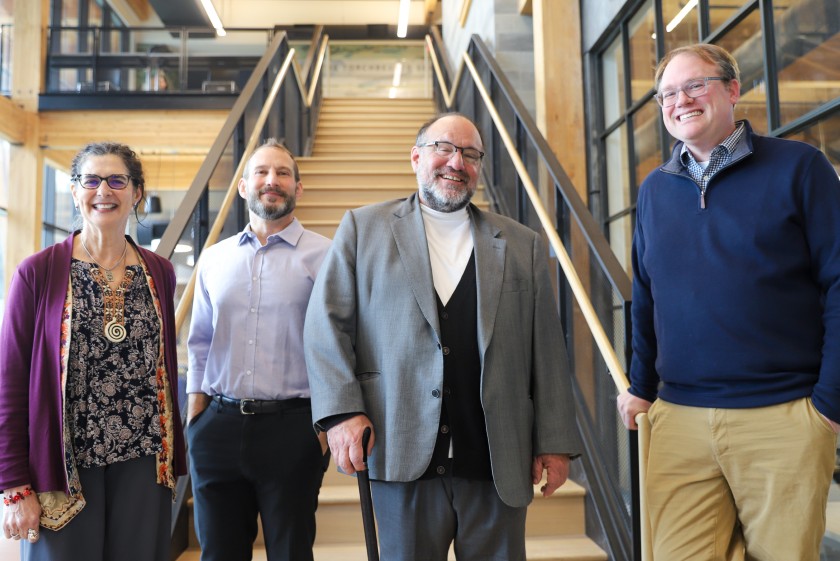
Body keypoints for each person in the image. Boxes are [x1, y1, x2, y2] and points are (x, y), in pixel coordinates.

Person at [304, 112, 581, 560]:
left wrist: (554, 441)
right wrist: (341, 414)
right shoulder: (363, 228)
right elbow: (324, 327)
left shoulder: (522, 244)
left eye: (470, 154)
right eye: (444, 149)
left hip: (496, 459)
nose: (457, 162)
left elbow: (546, 349)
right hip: (399, 449)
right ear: (416, 157)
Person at [617, 43, 840, 561]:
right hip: (679, 420)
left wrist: (828, 404)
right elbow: (646, 295)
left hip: (783, 414)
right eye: (667, 93)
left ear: (732, 90)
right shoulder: (654, 190)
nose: (681, 101)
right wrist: (641, 385)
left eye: (695, 85)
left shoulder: (800, 168)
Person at [0, 141, 187, 560]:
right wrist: (13, 483)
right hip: (63, 466)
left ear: (136, 192)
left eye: (117, 180)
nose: (104, 190)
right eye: (91, 180)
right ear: (74, 191)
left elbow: (163, 368)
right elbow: (9, 381)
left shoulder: (160, 272)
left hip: (143, 461)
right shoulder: (38, 272)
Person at [186, 139, 331, 561]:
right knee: (219, 554)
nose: (272, 180)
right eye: (262, 173)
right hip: (217, 427)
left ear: (298, 188)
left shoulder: (328, 256)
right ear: (244, 187)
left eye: (283, 173)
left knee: (291, 553)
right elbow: (199, 342)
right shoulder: (214, 259)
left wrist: (321, 431)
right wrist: (196, 417)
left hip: (294, 429)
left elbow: (344, 346)